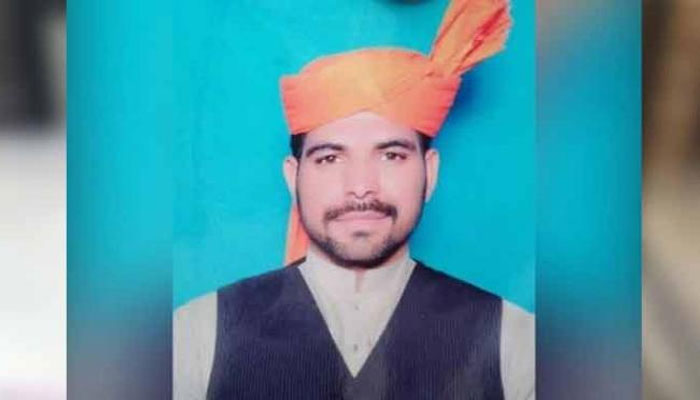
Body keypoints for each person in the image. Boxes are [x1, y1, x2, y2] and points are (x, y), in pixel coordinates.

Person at [175, 0, 533, 399]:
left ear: (430, 173)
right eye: (330, 158)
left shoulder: (516, 342)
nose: (361, 186)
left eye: (391, 155)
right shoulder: (196, 336)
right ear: (293, 178)